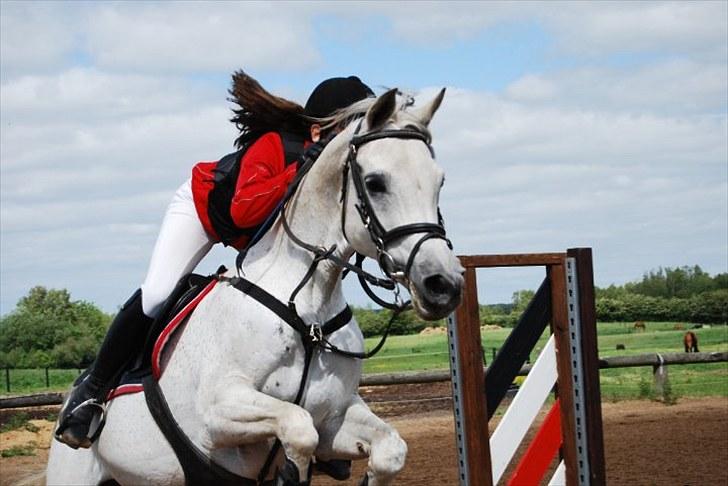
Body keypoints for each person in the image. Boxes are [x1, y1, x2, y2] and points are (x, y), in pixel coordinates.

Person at [55, 72, 374, 449]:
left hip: (250, 238)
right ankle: (91, 390)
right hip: (204, 211)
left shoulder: (335, 172)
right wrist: (296, 171)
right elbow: (243, 212)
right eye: (356, 129)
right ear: (322, 131)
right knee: (158, 293)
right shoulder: (277, 146)